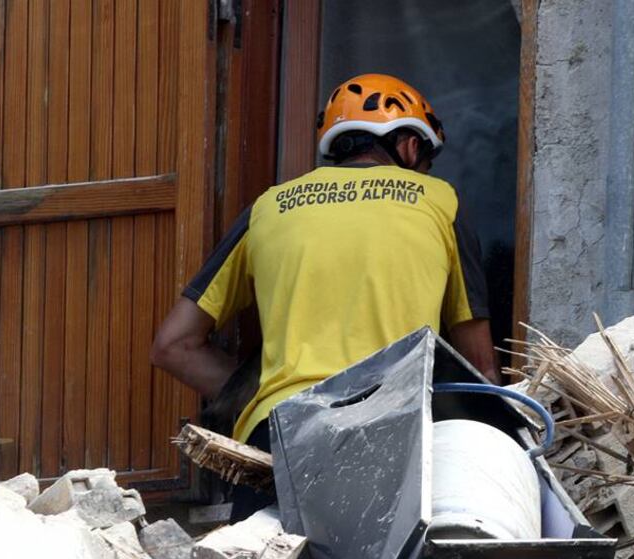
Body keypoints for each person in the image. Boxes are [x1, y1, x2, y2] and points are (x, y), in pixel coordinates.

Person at [151, 73, 497, 516]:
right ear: (411, 147)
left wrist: (260, 396)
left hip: (278, 437)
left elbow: (173, 345)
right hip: (393, 429)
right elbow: (481, 374)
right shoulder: (438, 200)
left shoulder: (270, 206)